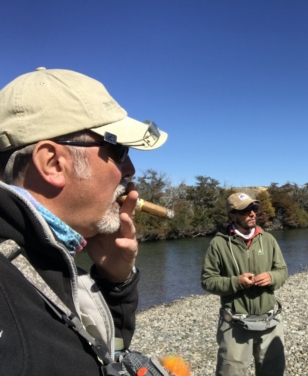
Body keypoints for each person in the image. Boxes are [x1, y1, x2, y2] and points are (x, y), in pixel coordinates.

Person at [0, 67, 168, 375]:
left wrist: (115, 282)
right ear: (53, 163)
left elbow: (100, 353)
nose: (130, 169)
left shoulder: (43, 259)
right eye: (119, 150)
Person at [201, 192, 288, 376]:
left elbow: (282, 271)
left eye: (254, 208)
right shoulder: (218, 244)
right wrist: (236, 282)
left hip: (270, 323)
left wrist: (272, 277)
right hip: (235, 326)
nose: (252, 214)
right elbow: (207, 281)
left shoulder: (268, 239)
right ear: (232, 215)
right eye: (245, 210)